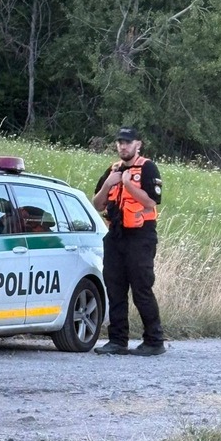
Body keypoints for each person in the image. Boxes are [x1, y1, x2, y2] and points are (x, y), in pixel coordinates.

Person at [92, 126, 166, 356]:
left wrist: (128, 184)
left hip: (141, 237)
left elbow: (151, 202)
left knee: (141, 288)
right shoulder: (112, 170)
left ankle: (154, 341)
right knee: (115, 288)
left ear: (138, 145)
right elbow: (96, 205)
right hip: (115, 235)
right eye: (120, 142)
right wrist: (108, 184)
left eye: (128, 142)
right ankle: (118, 340)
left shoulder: (148, 168)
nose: (123, 146)